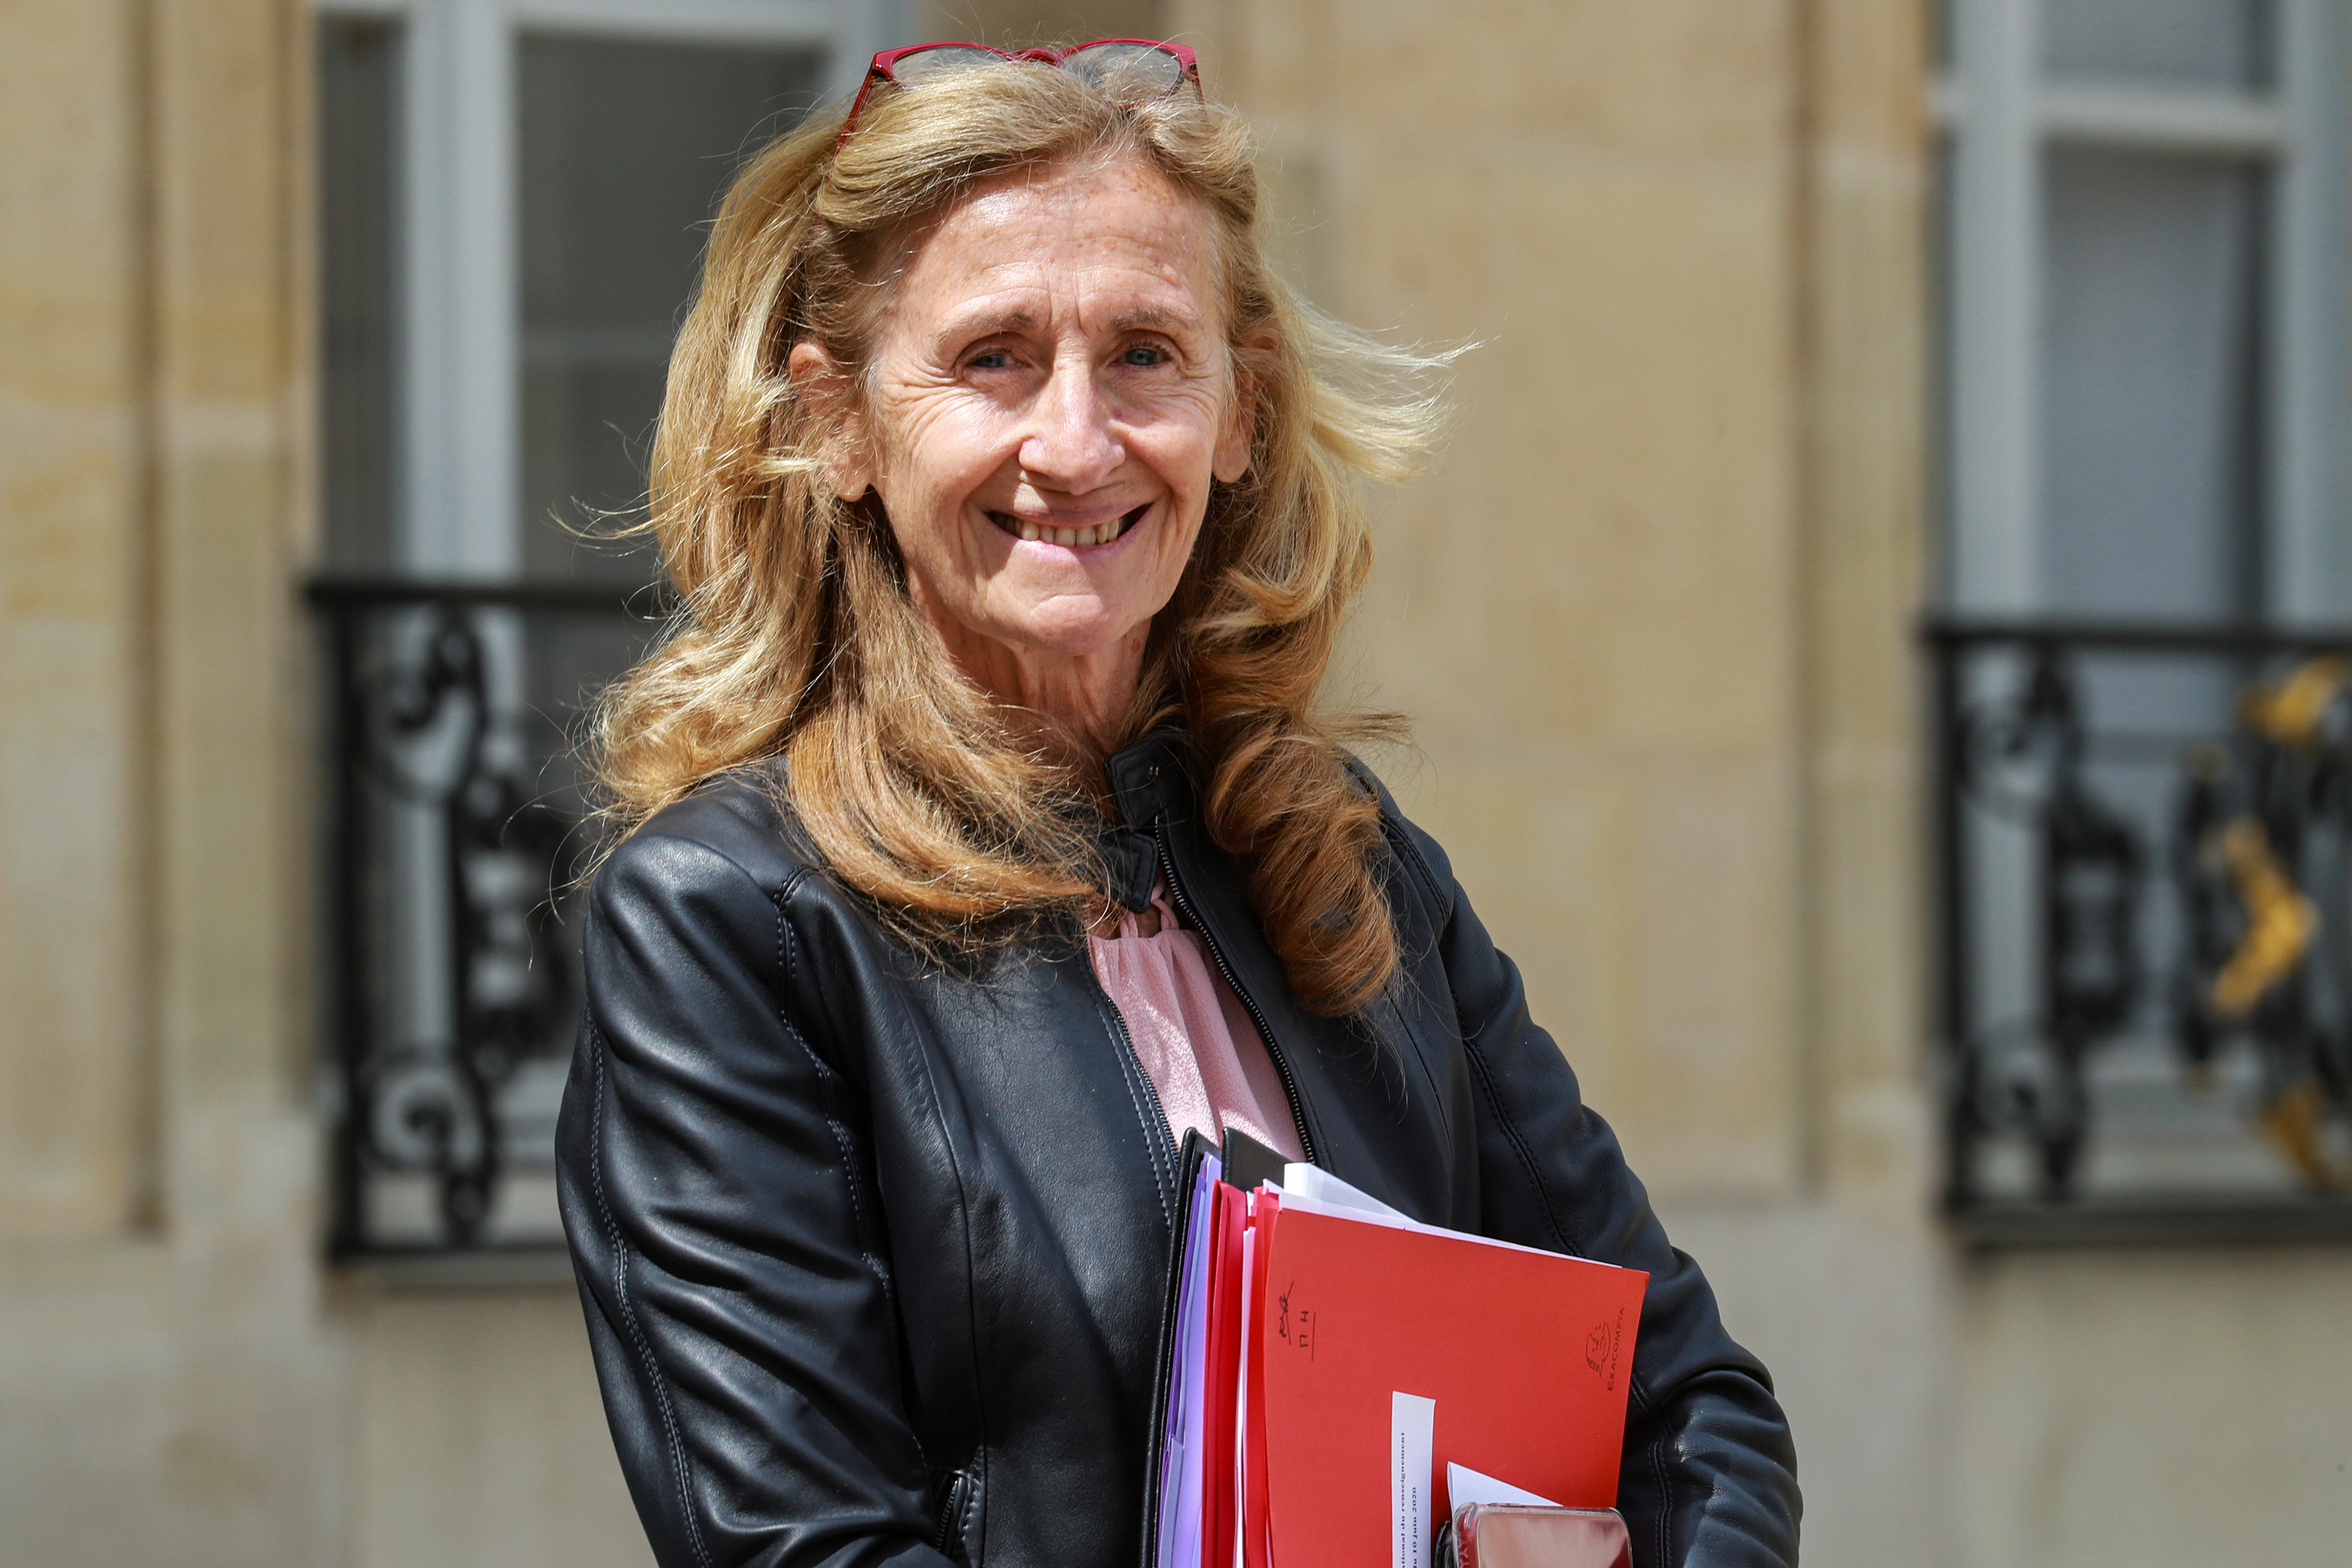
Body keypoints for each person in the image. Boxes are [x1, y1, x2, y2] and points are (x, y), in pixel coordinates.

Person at [555, 38, 1801, 1568]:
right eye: (992, 356)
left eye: (1146, 353)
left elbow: (1692, 1407)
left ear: (1242, 411)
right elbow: (805, 1546)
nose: (1075, 443)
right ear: (840, 425)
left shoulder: (1340, 856)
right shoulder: (730, 919)